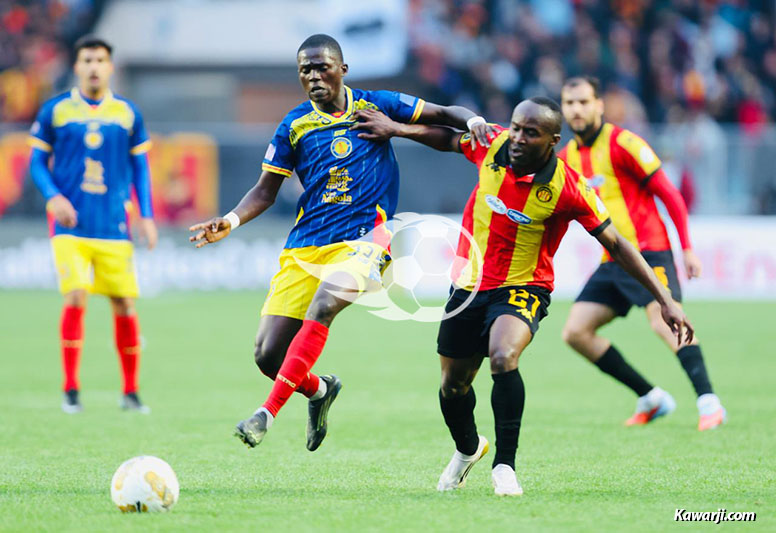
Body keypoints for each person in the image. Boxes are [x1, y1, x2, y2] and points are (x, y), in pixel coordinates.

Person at [348, 97, 692, 496]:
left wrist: (665, 299)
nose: (517, 137)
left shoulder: (569, 187)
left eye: (531, 132)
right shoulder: (491, 144)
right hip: (468, 285)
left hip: (523, 287)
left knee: (502, 355)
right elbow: (448, 139)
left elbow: (617, 244)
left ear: (552, 141)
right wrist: (397, 129)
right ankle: (467, 450)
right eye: (515, 127)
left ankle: (505, 467)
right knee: (452, 387)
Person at [189, 34, 496, 451]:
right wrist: (229, 220)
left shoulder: (377, 104)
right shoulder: (294, 126)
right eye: (305, 70)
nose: (314, 75)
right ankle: (319, 390)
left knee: (326, 303)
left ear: (342, 69)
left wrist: (473, 121)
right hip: (305, 245)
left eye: (322, 67)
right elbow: (265, 190)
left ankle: (266, 413)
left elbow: (444, 114)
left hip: (365, 240)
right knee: (267, 356)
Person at [558, 76, 725, 431]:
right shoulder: (566, 159)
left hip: (650, 253)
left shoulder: (624, 143)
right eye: (569, 103)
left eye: (584, 102)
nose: (576, 109)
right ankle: (652, 397)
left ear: (599, 105)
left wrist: (688, 249)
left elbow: (670, 194)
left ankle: (709, 401)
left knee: (663, 322)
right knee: (575, 332)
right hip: (612, 260)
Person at [28, 36, 157, 414]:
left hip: (114, 225)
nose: (94, 66)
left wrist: (146, 216)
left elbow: (140, 169)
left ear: (110, 66)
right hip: (70, 226)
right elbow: (36, 162)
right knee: (76, 295)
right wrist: (53, 196)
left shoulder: (128, 114)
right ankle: (71, 390)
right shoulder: (56, 111)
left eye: (101, 59)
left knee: (124, 303)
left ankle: (130, 393)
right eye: (88, 59)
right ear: (77, 66)